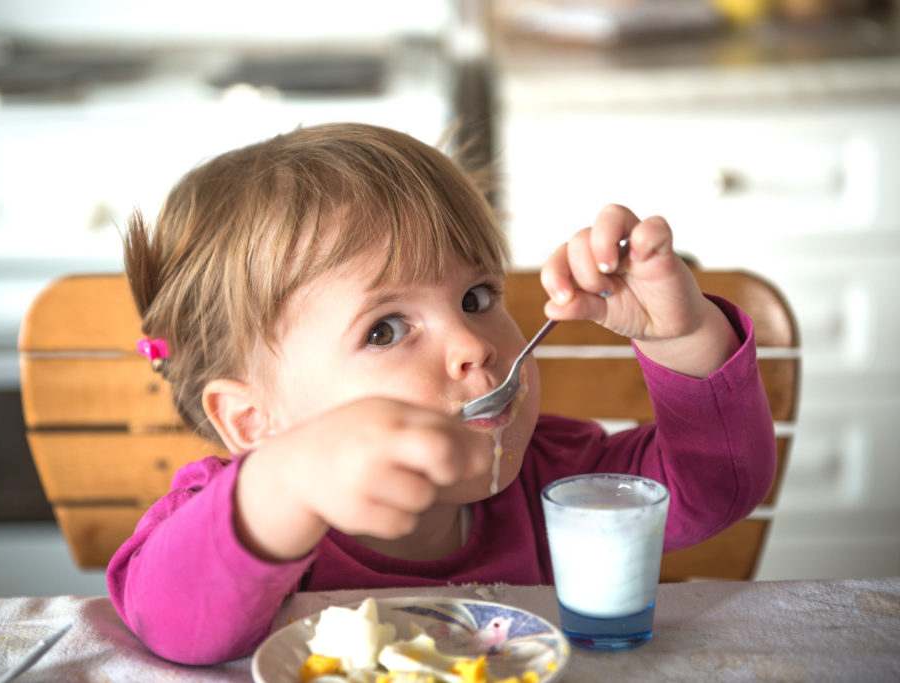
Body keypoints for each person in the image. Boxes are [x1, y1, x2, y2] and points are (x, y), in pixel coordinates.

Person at [106, 122, 776, 665]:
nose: (473, 344)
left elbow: (712, 486)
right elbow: (167, 622)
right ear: (254, 420)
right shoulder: (239, 517)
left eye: (476, 296)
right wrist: (283, 482)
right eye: (387, 328)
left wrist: (681, 337)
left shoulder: (552, 476)